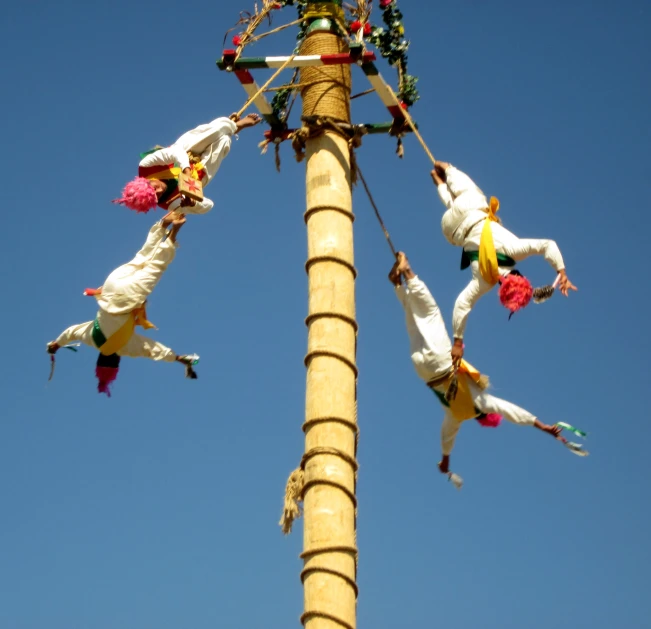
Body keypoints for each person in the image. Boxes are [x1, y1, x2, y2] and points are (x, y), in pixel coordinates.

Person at [390, 251, 562, 475]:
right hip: (423, 370)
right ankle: (397, 286)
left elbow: (508, 409)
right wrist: (445, 461)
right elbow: (446, 438)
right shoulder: (456, 416)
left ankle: (407, 274)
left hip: (443, 363)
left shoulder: (480, 401)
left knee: (430, 314)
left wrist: (542, 425)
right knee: (414, 325)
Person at [431, 161, 577, 363]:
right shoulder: (485, 280)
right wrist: (457, 342)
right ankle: (439, 183)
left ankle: (444, 169)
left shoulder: (514, 250)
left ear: (519, 275)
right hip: (451, 230)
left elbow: (547, 245)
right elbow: (461, 305)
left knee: (468, 194)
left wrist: (561, 271)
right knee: (454, 207)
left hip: (470, 209)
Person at [47, 213, 199, 397]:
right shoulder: (90, 338)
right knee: (140, 258)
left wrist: (178, 358)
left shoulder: (125, 347)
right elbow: (71, 332)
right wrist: (56, 344)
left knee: (156, 266)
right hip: (109, 286)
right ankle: (161, 225)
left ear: (117, 361)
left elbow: (152, 350)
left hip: (127, 297)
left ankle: (174, 231)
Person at [114, 113, 262, 215]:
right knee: (224, 142)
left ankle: (235, 125)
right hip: (201, 172)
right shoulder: (170, 204)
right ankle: (233, 129)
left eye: (153, 188)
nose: (158, 192)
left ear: (147, 181)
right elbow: (209, 205)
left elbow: (176, 152)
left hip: (187, 149)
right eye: (155, 197)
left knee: (218, 130)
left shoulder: (146, 166)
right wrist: (194, 203)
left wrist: (185, 171)